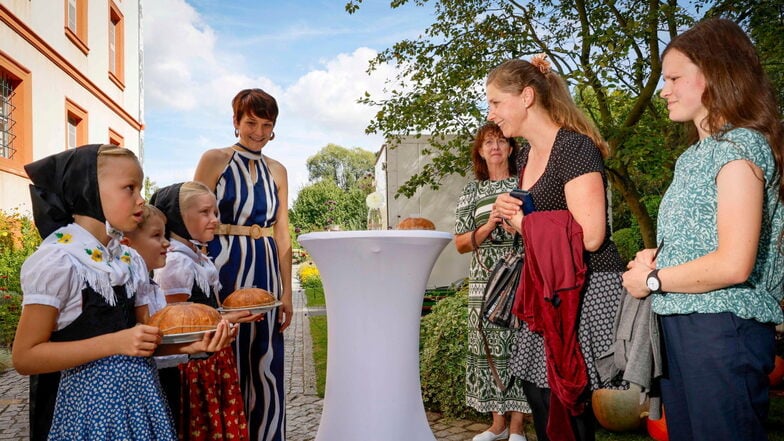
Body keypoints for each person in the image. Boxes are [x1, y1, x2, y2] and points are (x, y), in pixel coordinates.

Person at [622, 18, 784, 441]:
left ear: (714, 75)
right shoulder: (694, 156)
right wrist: (658, 256)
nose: (664, 90)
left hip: (721, 331)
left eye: (674, 77)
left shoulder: (739, 147)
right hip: (683, 326)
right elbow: (706, 241)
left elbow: (733, 264)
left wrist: (652, 280)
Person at [12, 145, 231, 439]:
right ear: (88, 189)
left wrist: (188, 347)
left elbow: (141, 339)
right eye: (130, 188)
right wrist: (115, 342)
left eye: (140, 188)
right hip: (89, 415)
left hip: (140, 404)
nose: (141, 199)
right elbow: (25, 357)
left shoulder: (128, 261)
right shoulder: (60, 261)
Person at [487, 56, 625, 441]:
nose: (491, 113)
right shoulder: (527, 155)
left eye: (496, 102)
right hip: (548, 291)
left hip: (587, 288)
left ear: (527, 96)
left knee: (568, 402)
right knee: (540, 395)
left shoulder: (575, 148)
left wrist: (525, 223)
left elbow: (592, 234)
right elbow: (544, 221)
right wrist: (510, 211)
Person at [194, 88, 293, 440]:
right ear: (236, 122)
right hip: (221, 266)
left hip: (265, 268)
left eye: (267, 125)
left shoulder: (278, 170)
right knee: (227, 354)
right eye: (251, 122)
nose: (259, 132)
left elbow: (282, 233)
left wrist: (288, 293)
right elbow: (192, 213)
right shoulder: (215, 159)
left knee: (265, 360)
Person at [152, 181, 258, 440]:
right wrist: (228, 318)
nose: (214, 220)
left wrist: (230, 313)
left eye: (215, 212)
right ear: (178, 216)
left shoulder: (194, 256)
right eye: (205, 212)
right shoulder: (176, 263)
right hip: (193, 368)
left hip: (211, 359)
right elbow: (179, 324)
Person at [454, 122, 530, 441]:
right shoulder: (472, 191)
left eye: (501, 141)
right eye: (488, 142)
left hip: (518, 274)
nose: (495, 147)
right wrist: (488, 226)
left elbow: (538, 229)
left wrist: (518, 226)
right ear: (481, 152)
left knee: (517, 346)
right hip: (483, 279)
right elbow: (460, 243)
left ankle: (517, 429)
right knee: (487, 348)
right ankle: (496, 426)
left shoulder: (524, 184)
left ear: (511, 149)